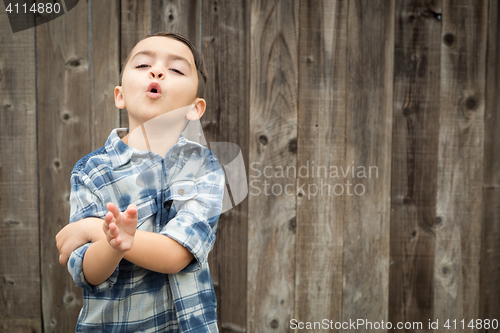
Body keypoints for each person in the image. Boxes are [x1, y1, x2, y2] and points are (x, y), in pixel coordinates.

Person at [55, 32, 225, 332]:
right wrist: (112, 243)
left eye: (175, 69)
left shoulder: (202, 166)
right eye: (143, 64)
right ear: (120, 95)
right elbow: (88, 273)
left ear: (194, 109)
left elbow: (177, 254)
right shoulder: (91, 172)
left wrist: (96, 229)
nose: (157, 71)